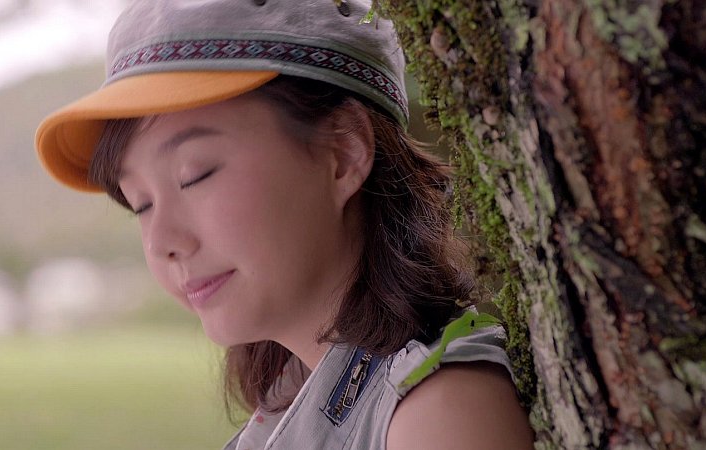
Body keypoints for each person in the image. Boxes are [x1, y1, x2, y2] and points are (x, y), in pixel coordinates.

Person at [35, 0, 534, 448]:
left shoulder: (438, 414)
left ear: (343, 152)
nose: (162, 241)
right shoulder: (298, 401)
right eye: (140, 204)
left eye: (195, 175)